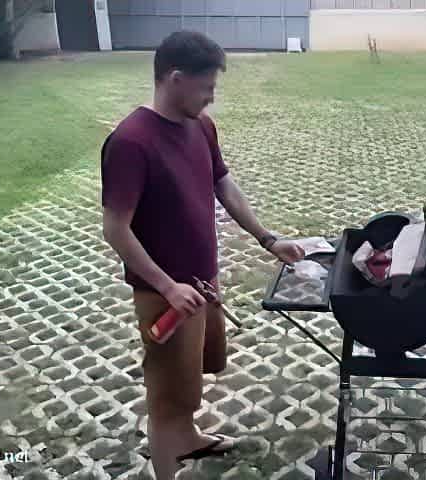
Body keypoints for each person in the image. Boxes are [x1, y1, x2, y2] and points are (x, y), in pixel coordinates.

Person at [100, 30, 305, 480]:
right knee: (166, 394)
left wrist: (267, 239)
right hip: (165, 295)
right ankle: (166, 467)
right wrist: (167, 287)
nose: (212, 97)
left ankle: (189, 436)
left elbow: (223, 184)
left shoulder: (201, 127)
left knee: (194, 375)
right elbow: (115, 229)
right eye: (206, 87)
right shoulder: (131, 142)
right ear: (175, 79)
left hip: (202, 283)